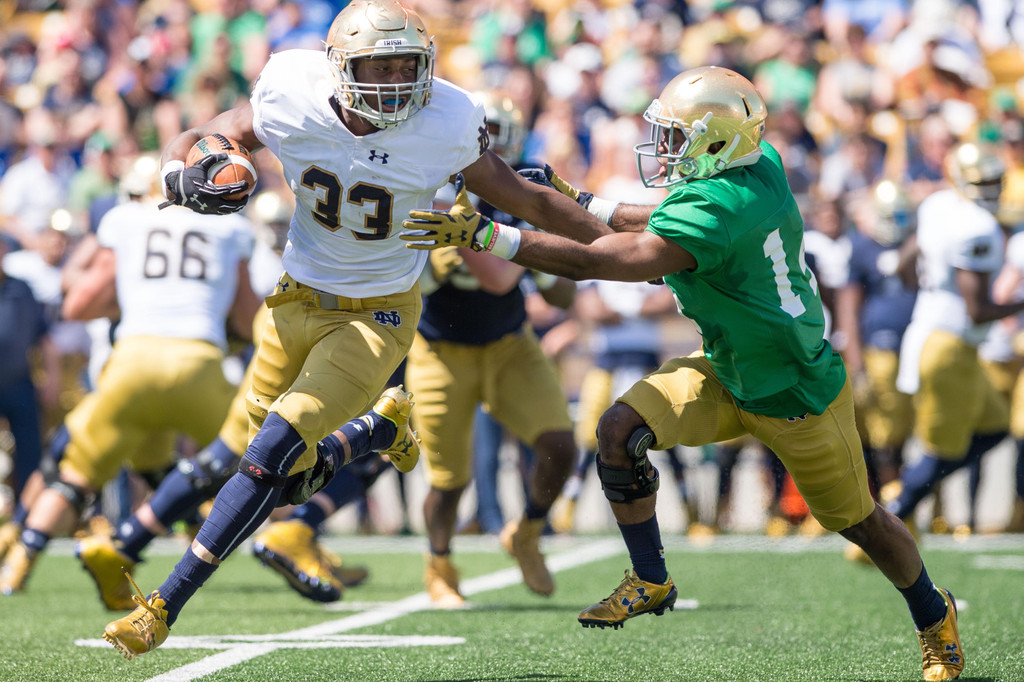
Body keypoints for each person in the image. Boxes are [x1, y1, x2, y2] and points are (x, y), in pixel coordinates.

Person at [403, 66, 965, 681]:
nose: (665, 149)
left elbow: (606, 261)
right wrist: (579, 198)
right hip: (725, 369)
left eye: (677, 136)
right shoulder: (756, 163)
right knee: (618, 429)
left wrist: (491, 235)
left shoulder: (722, 208)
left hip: (793, 391)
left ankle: (935, 617)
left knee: (863, 524)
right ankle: (650, 576)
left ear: (718, 139)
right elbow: (650, 221)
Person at [101, 0, 609, 659]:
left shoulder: (448, 118)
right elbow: (205, 137)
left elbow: (531, 200)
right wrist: (186, 175)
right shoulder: (291, 90)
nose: (397, 81)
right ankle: (376, 432)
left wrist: (627, 246)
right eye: (380, 66)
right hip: (292, 302)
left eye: (408, 66)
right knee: (248, 460)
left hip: (377, 315)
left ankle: (164, 606)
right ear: (341, 69)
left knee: (269, 452)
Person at [0, 165, 259, 598]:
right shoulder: (230, 226)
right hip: (199, 361)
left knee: (74, 474)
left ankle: (22, 559)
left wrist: (132, 296)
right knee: (261, 460)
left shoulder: (127, 221)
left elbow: (77, 302)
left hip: (130, 367)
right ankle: (290, 535)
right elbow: (249, 320)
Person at [408, 92, 578, 608]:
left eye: (502, 134)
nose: (493, 146)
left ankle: (526, 531)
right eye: (487, 133)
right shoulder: (426, 189)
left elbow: (556, 292)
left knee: (561, 448)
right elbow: (491, 277)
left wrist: (548, 249)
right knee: (449, 480)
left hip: (509, 343)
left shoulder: (522, 195)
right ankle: (439, 562)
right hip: (441, 350)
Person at [883, 142, 1022, 538]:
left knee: (995, 427)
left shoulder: (938, 205)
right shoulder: (978, 226)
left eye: (996, 180)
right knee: (942, 449)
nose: (992, 188)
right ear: (963, 181)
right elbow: (978, 309)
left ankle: (909, 490)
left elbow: (907, 261)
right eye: (984, 181)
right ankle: (897, 508)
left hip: (932, 333)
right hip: (951, 346)